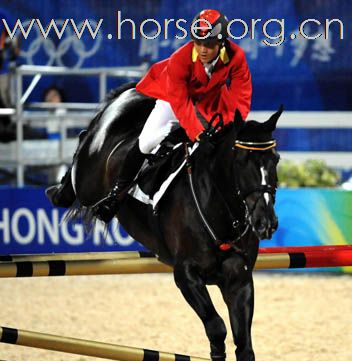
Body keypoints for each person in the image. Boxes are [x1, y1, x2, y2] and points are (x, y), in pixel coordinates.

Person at [48, 9, 252, 221]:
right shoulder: (180, 59)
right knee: (146, 142)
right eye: (198, 43)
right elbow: (181, 105)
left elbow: (241, 94)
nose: (202, 50)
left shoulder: (236, 57)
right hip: (173, 99)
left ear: (222, 44)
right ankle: (115, 197)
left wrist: (234, 126)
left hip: (210, 100)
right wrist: (199, 134)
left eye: (208, 44)